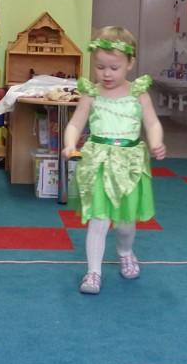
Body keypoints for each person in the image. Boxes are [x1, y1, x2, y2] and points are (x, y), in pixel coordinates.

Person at [62, 26, 166, 295]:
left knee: (125, 224)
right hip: (98, 163)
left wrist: (156, 142)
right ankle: (93, 272)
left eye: (114, 68)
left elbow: (152, 123)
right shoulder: (91, 93)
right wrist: (70, 144)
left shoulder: (138, 93)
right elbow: (75, 124)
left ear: (130, 63)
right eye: (100, 67)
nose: (106, 74)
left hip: (129, 166)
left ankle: (125, 251)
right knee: (98, 220)